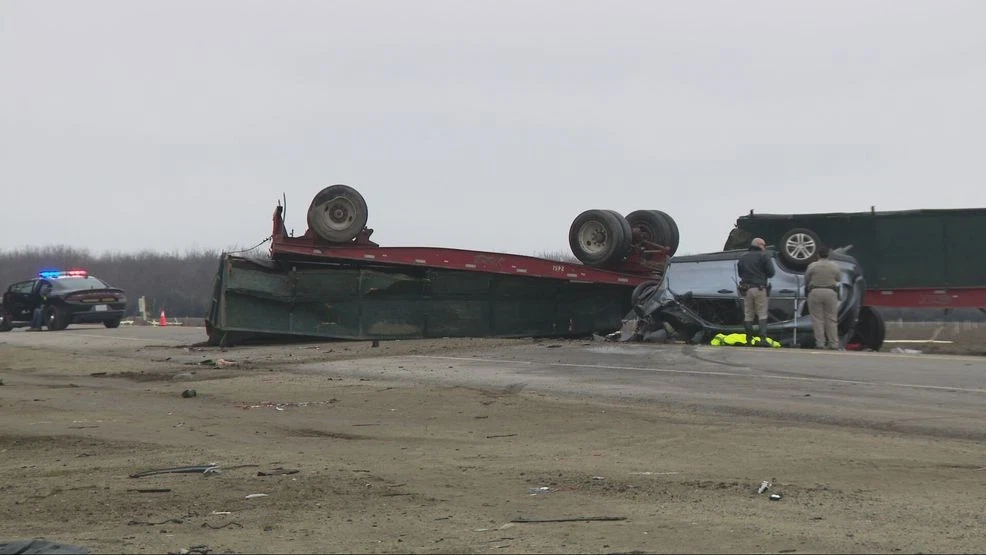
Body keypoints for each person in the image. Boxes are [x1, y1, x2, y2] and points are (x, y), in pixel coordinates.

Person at [737, 237, 775, 347]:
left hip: (746, 289)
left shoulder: (743, 257)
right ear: (759, 245)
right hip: (760, 288)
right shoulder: (764, 256)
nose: (765, 247)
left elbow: (740, 273)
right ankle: (762, 339)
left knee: (748, 314)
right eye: (764, 245)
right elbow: (771, 272)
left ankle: (749, 339)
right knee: (762, 314)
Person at [804, 245, 842, 350]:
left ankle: (820, 343)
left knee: (817, 319)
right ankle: (834, 343)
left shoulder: (812, 266)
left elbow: (806, 279)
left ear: (818, 255)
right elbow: (839, 279)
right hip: (830, 292)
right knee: (831, 319)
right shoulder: (834, 266)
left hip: (815, 291)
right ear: (828, 255)